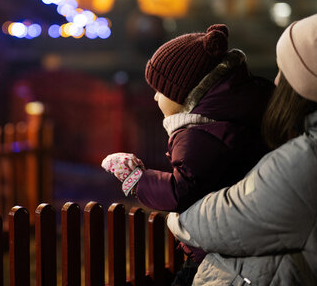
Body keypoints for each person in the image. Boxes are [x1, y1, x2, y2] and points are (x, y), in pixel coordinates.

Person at [167, 9, 317, 285]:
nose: (277, 81)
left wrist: (176, 213)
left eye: (285, 71)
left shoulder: (310, 162)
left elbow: (218, 222)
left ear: (309, 87)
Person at [101, 24, 274, 284]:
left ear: (184, 92)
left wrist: (136, 177)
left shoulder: (199, 132)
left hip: (213, 248)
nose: (156, 97)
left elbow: (183, 189)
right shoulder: (233, 118)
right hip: (238, 234)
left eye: (161, 90)